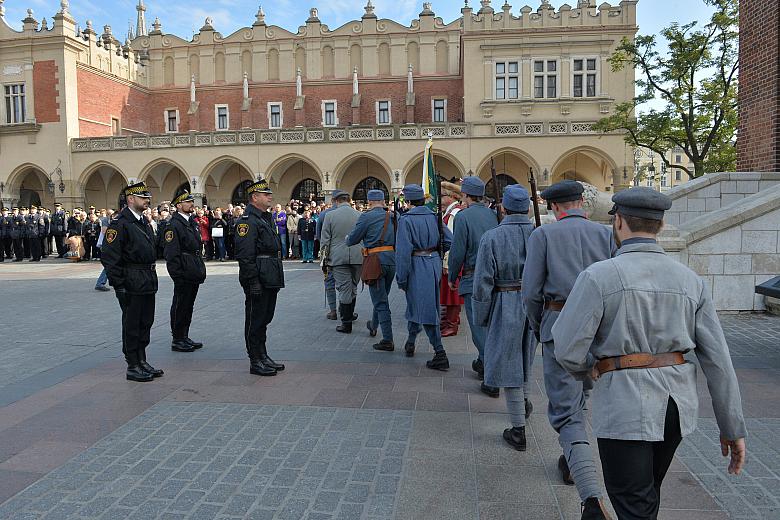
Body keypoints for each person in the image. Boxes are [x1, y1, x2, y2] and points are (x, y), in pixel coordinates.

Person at [553, 187, 747, 520]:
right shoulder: (691, 281)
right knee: (645, 495)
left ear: (619, 223)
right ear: (659, 224)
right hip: (676, 406)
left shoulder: (599, 276)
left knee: (633, 502)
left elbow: (567, 348)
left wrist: (591, 369)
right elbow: (718, 361)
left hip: (624, 403)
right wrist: (732, 427)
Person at [522, 180, 613, 517]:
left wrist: (537, 325)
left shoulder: (543, 236)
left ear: (553, 207)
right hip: (597, 331)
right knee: (582, 398)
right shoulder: (605, 235)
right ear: (581, 203)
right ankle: (572, 456)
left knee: (567, 414)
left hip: (558, 325)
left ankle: (590, 496)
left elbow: (531, 292)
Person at [472, 185, 537, 450]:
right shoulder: (538, 234)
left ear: (503, 207)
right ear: (529, 208)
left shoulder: (493, 237)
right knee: (526, 357)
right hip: (533, 303)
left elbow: (482, 281)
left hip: (505, 301)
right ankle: (524, 403)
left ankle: (518, 427)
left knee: (510, 362)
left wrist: (482, 315)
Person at [100, 182, 163, 383]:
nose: (147, 201)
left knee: (146, 321)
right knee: (132, 324)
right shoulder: (120, 224)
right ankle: (132, 364)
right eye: (142, 198)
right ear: (130, 199)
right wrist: (119, 285)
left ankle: (142, 360)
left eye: (147, 198)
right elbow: (110, 257)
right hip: (131, 281)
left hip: (147, 279)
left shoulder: (143, 221)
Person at [447, 177, 499, 396]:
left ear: (466, 196)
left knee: (478, 325)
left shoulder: (463, 216)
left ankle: (491, 376)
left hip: (473, 277)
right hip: (495, 278)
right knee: (490, 323)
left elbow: (458, 250)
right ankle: (482, 361)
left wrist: (452, 275)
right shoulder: (493, 214)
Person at [395, 184, 453, 369]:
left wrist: (401, 278)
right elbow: (450, 240)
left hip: (417, 265)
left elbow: (403, 253)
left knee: (426, 308)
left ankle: (440, 352)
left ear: (409, 201)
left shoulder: (406, 220)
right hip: (433, 263)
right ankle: (411, 341)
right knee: (417, 303)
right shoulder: (434, 216)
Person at [235, 179, 286, 376]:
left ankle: (263, 355)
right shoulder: (247, 221)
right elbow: (245, 256)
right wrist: (252, 281)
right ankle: (255, 359)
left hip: (269, 274)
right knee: (255, 319)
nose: (270, 197)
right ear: (255, 198)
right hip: (259, 276)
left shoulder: (265, 218)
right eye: (266, 194)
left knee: (265, 318)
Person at [346, 189, 396, 351]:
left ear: (369, 202)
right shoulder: (393, 216)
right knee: (381, 295)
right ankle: (373, 325)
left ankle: (387, 339)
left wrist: (348, 238)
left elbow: (352, 239)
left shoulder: (366, 217)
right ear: (383, 201)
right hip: (391, 259)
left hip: (374, 261)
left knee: (381, 301)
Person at [164, 191, 207, 353]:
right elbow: (171, 253)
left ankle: (184, 335)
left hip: (192, 267)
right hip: (183, 270)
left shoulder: (191, 222)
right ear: (179, 205)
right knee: (180, 304)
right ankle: (177, 338)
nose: (192, 204)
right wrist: (177, 275)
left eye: (191, 201)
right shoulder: (173, 225)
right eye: (187, 202)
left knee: (188, 305)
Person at [321, 190, 363, 333]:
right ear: (348, 200)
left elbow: (325, 241)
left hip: (338, 257)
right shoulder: (359, 215)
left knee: (344, 289)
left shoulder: (330, 215)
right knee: (353, 287)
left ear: (335, 200)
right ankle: (350, 315)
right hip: (358, 256)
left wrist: (323, 260)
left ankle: (346, 323)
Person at [439, 181, 464, 337]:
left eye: (442, 196)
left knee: (452, 291)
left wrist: (448, 262)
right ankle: (450, 318)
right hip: (453, 259)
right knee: (449, 291)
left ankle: (452, 323)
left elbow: (453, 241)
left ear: (451, 197)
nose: (439, 199)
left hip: (453, 259)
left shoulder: (454, 214)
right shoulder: (451, 212)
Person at [315, 203, 338, 320]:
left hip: (328, 252)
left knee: (329, 281)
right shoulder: (354, 213)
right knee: (347, 284)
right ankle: (348, 311)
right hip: (346, 254)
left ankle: (333, 310)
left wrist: (323, 253)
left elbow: (319, 234)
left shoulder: (324, 213)